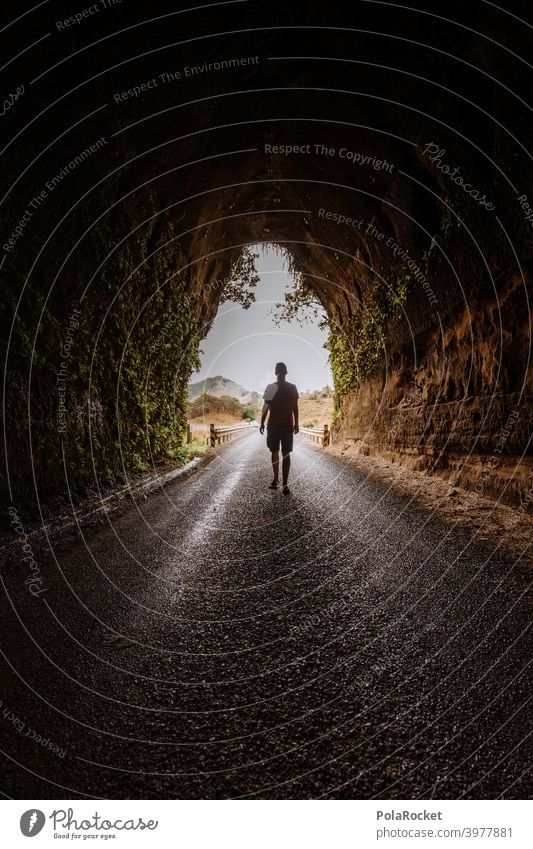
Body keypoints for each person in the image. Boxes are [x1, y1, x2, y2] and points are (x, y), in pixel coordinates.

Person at [259, 362, 299, 494]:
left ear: (275, 372)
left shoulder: (271, 387)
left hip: (274, 426)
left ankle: (276, 480)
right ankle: (285, 484)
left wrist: (262, 422)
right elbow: (295, 408)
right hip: (286, 425)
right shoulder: (292, 387)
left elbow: (265, 407)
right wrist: (297, 423)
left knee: (275, 452)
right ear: (286, 372)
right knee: (285, 454)